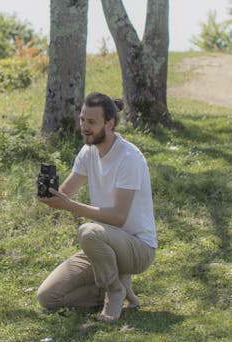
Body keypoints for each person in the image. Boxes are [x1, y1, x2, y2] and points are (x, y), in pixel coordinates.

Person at [35, 93, 157, 322]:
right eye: (82, 120)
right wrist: (49, 193)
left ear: (109, 124)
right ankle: (115, 286)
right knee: (47, 297)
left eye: (91, 122)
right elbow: (65, 194)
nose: (84, 127)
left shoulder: (129, 157)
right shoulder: (88, 151)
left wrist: (70, 206)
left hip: (138, 249)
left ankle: (115, 291)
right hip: (103, 247)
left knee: (88, 232)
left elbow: (119, 218)